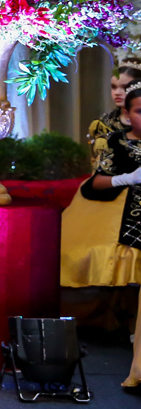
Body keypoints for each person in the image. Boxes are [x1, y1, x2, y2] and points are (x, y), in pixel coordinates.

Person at [79, 80, 141, 392]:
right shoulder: (117, 142)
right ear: (128, 115)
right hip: (129, 222)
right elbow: (95, 184)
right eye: (140, 111)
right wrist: (127, 178)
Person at [61, 59, 141, 289]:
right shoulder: (108, 129)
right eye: (114, 87)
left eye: (125, 87)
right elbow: (100, 168)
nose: (118, 92)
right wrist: (125, 178)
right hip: (114, 190)